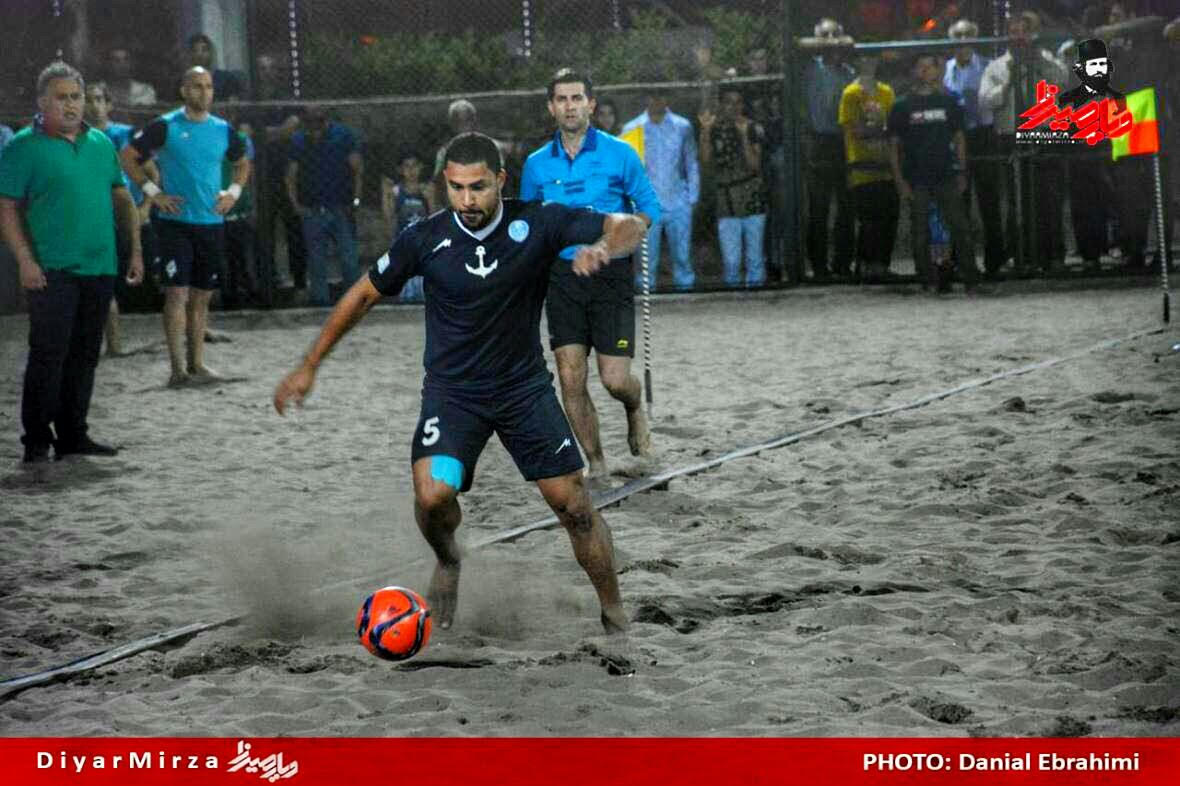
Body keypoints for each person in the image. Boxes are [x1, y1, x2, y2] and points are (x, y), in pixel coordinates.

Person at [274, 132, 646, 634]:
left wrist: (603, 246)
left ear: (500, 181)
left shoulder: (538, 220)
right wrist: (309, 365)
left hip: (523, 394)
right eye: (455, 188)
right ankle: (449, 559)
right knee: (433, 496)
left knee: (574, 507)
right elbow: (362, 296)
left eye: (478, 187)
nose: (467, 200)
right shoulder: (424, 239)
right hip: (454, 399)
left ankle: (614, 612)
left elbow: (628, 223)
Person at [520, 68, 660, 480]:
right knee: (570, 378)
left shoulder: (620, 154)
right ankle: (597, 465)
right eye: (561, 99)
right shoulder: (536, 165)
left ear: (591, 105)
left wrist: (606, 247)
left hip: (611, 274)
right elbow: (527, 226)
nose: (569, 106)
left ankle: (634, 408)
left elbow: (648, 209)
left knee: (615, 380)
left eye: (577, 98)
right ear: (551, 107)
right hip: (561, 279)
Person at [0, 61, 143, 463]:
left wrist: (135, 249)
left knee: (85, 353)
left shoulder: (100, 144)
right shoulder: (22, 147)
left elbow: (120, 196)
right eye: (61, 98)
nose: (71, 106)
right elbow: (6, 209)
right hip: (52, 268)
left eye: (76, 97)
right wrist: (26, 260)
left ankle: (74, 434)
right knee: (49, 353)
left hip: (99, 266)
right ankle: (36, 439)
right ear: (42, 102)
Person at [121, 66, 249, 387]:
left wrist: (232, 193)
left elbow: (242, 162)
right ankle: (177, 370)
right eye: (196, 86)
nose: (203, 92)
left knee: (202, 295)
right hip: (175, 223)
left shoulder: (223, 129)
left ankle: (198, 365)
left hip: (210, 221)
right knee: (177, 292)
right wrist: (154, 193)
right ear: (183, 90)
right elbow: (127, 156)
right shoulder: (165, 126)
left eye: (208, 87)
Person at [980, 10, 1068, 276]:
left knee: (1048, 197)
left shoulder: (1045, 60)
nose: (1019, 37)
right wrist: (1007, 81)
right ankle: (1020, 255)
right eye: (1014, 31)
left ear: (1033, 34)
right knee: (1016, 200)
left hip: (1042, 133)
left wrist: (1040, 62)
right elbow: (985, 102)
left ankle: (1052, 255)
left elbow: (1062, 81)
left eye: (1024, 32)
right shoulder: (996, 67)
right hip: (1010, 136)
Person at [889, 54, 976, 293]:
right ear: (915, 71)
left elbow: (959, 138)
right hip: (916, 176)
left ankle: (968, 274)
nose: (926, 71)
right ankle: (926, 278)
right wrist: (900, 180)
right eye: (921, 66)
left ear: (938, 71)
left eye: (931, 66)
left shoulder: (948, 103)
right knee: (919, 230)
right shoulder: (902, 105)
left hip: (945, 173)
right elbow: (894, 146)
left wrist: (961, 170)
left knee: (959, 226)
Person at [84, 81, 156, 355]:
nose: (94, 105)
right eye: (88, 99)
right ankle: (114, 345)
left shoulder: (125, 134)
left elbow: (152, 172)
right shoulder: (77, 136)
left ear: (109, 104)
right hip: (97, 216)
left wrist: (148, 205)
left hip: (131, 214)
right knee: (104, 280)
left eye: (99, 99)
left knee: (157, 277)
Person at [944, 19, 1005, 280]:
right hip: (956, 136)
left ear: (975, 37)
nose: (963, 39)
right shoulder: (945, 69)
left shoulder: (988, 66)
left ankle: (995, 261)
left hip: (982, 135)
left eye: (968, 34)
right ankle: (962, 261)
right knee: (960, 201)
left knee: (989, 200)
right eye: (958, 35)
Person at [285, 106, 364, 307]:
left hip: (340, 206)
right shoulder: (299, 140)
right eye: (309, 124)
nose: (314, 130)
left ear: (325, 121)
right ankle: (320, 302)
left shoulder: (343, 135)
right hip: (312, 208)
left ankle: (353, 301)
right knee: (316, 260)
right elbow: (291, 176)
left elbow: (357, 168)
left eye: (317, 123)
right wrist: (296, 204)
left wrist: (355, 199)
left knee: (349, 258)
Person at [622, 90, 699, 291]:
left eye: (662, 96)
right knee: (646, 262)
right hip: (646, 205)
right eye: (653, 96)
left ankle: (687, 300)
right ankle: (649, 302)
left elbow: (691, 161)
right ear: (646, 98)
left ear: (669, 98)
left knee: (682, 257)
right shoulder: (632, 128)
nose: (657, 100)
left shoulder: (682, 126)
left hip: (678, 201)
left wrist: (692, 197)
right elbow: (627, 170)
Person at [802, 18, 856, 281]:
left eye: (837, 34)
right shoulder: (810, 68)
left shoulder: (850, 72)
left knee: (847, 207)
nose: (832, 40)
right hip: (818, 142)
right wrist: (829, 39)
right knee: (819, 208)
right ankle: (819, 266)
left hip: (844, 141)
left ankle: (843, 263)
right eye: (826, 35)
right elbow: (797, 46)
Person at [700, 87, 769, 287]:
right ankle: (732, 301)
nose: (734, 107)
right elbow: (705, 161)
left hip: (751, 197)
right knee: (731, 260)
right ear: (721, 105)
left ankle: (757, 302)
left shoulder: (753, 127)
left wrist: (744, 135)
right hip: (726, 199)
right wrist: (704, 131)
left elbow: (754, 164)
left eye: (738, 102)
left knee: (754, 258)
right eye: (729, 102)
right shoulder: (714, 128)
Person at [838, 52, 898, 283]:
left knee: (889, 214)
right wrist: (879, 126)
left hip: (885, 162)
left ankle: (882, 264)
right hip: (861, 164)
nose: (868, 64)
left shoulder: (886, 91)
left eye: (871, 59)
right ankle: (865, 264)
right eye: (863, 59)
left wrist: (880, 125)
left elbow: (892, 127)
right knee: (869, 218)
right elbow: (854, 130)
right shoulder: (851, 94)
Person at [380, 148, 434, 301]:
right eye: (406, 167)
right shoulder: (396, 191)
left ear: (421, 167)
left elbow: (435, 217)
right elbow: (388, 217)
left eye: (414, 166)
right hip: (404, 242)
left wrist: (429, 199)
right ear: (400, 170)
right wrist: (386, 196)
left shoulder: (427, 189)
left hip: (423, 244)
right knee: (406, 289)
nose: (411, 171)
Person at [185, 34, 244, 102]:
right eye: (195, 50)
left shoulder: (226, 78)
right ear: (189, 54)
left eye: (204, 50)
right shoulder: (183, 81)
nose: (199, 54)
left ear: (211, 53)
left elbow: (233, 107)